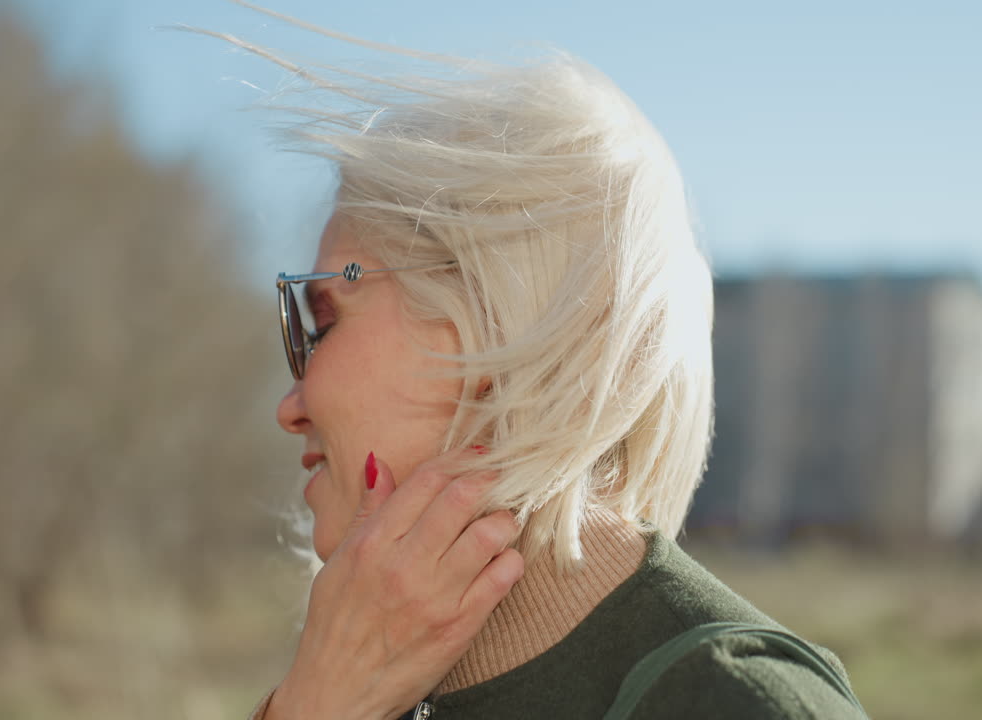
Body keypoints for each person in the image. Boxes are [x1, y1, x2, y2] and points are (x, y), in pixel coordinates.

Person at [213, 6, 867, 719]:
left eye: (323, 321)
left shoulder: (732, 702)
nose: (291, 405)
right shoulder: (365, 689)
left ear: (492, 326)